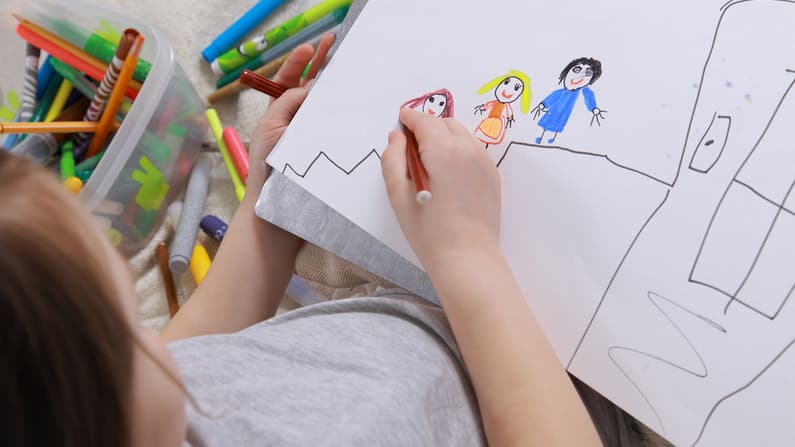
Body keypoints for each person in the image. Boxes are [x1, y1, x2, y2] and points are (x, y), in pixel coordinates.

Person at [1, 45, 603, 446]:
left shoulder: (125, 402)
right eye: (131, 324)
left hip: (414, 312)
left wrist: (271, 204)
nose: (161, 344)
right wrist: (467, 256)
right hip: (556, 392)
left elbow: (193, 351)